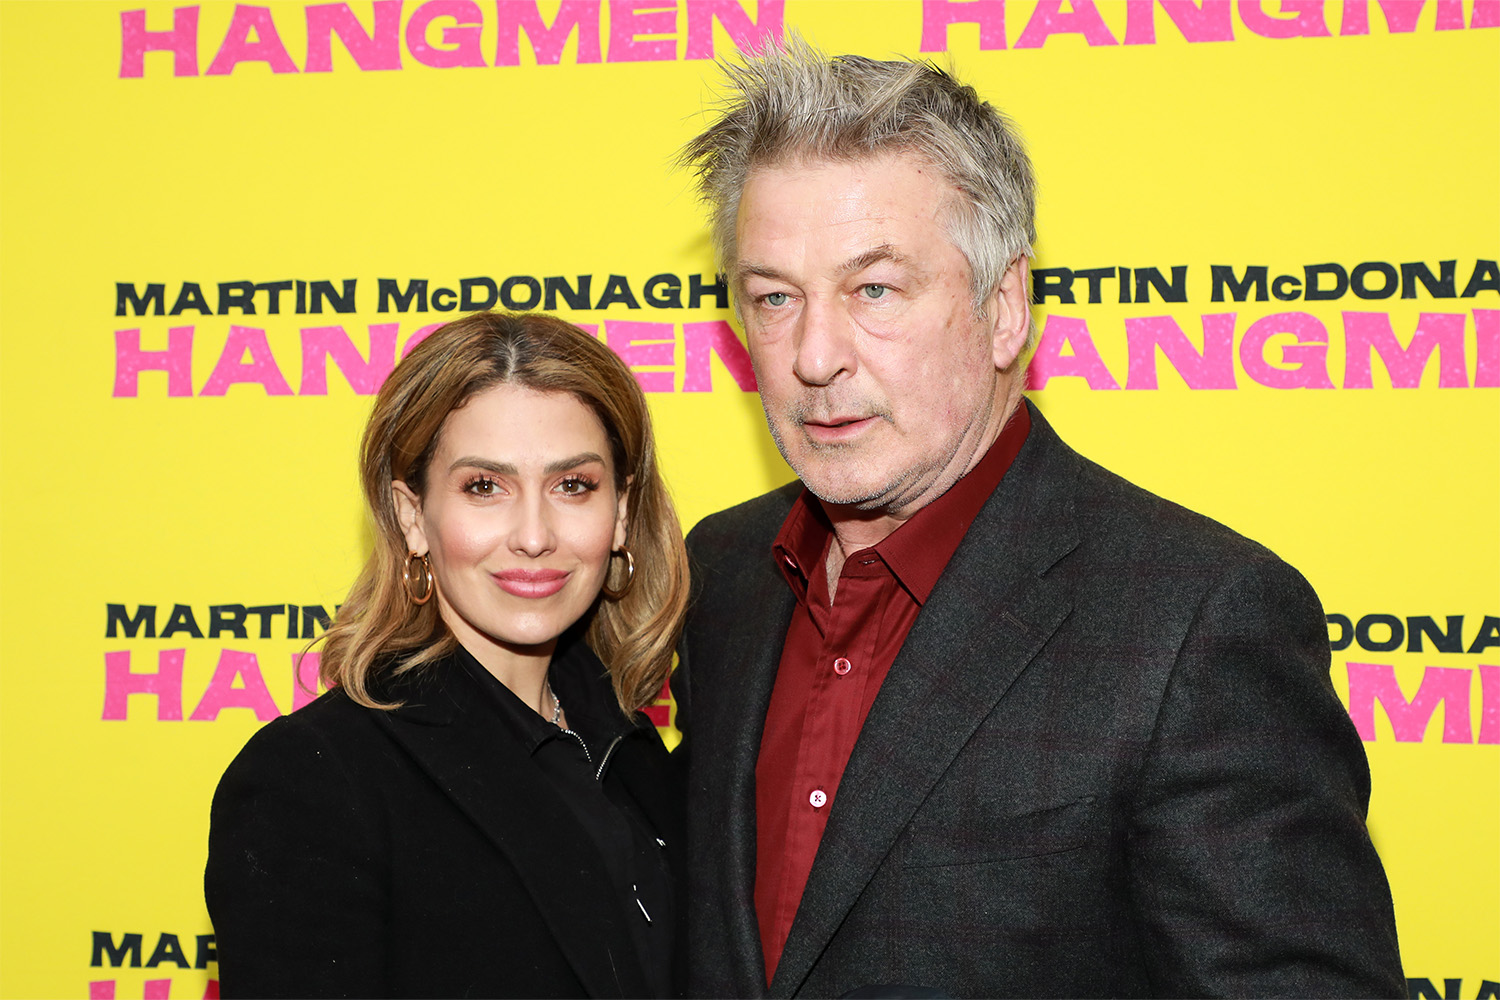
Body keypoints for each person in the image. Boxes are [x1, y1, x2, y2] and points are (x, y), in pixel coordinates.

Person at [671, 42, 1405, 999]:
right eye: (774, 298)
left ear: (1005, 305)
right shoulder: (718, 570)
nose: (814, 355)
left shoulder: (1196, 622)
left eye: (875, 290)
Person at [205, 311, 689, 998]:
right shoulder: (316, 779)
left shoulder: (636, 756)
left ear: (619, 512)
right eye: (484, 487)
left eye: (573, 485)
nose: (533, 535)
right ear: (412, 517)